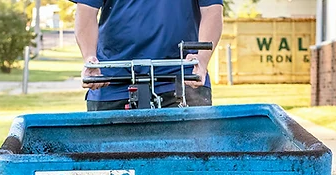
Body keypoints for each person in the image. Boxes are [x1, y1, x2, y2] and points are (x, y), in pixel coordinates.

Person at [73, 0, 224, 111]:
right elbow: (86, 11)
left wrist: (202, 59)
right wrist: (89, 58)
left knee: (193, 151)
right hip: (112, 82)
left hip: (183, 80)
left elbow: (212, 11)